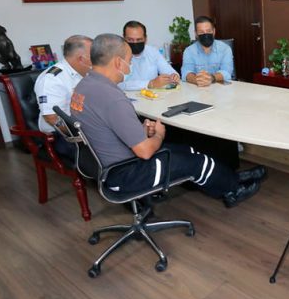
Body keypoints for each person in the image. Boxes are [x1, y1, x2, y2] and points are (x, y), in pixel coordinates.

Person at [70, 33, 264, 207]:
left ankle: (231, 178)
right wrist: (159, 135)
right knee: (198, 162)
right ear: (118, 63)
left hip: (105, 165)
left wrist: (141, 131)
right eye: (129, 61)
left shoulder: (83, 87)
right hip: (126, 173)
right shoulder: (113, 98)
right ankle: (232, 191)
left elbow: (107, 127)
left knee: (187, 149)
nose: (130, 66)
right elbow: (145, 151)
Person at [34, 35, 93, 157]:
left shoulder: (86, 72)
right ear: (81, 59)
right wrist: (82, 134)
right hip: (63, 135)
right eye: (94, 55)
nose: (98, 59)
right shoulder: (52, 79)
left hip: (87, 126)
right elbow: (51, 118)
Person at [117, 20, 179, 91]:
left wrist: (174, 76)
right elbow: (119, 84)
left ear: (145, 39)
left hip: (154, 95)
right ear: (124, 38)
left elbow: (168, 71)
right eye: (130, 40)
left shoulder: (153, 52)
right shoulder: (118, 55)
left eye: (139, 40)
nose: (135, 43)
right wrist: (150, 84)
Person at [181, 16, 234, 85]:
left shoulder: (225, 48)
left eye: (208, 31)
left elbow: (227, 72)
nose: (205, 34)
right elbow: (186, 72)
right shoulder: (189, 51)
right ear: (196, 34)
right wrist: (196, 79)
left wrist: (211, 78)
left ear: (214, 31)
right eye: (201, 32)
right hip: (198, 88)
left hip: (220, 87)